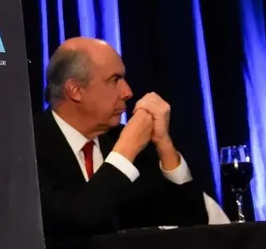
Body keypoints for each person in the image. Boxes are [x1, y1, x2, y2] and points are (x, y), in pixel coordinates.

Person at [33, 37, 209, 236]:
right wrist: (126, 150)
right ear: (76, 90)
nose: (128, 92)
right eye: (114, 80)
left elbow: (194, 224)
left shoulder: (125, 141)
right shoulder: (28, 144)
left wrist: (164, 144)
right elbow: (75, 221)